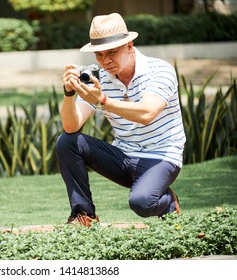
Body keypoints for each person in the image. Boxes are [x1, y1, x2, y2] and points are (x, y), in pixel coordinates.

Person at [55, 13, 186, 227]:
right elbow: (71, 126)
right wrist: (69, 94)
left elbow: (147, 113)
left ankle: (169, 203)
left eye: (112, 52)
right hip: (123, 156)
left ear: (129, 45)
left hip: (161, 157)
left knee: (142, 203)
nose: (105, 60)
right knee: (67, 141)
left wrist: (103, 101)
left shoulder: (160, 70)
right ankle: (83, 215)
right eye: (99, 54)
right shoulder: (98, 77)